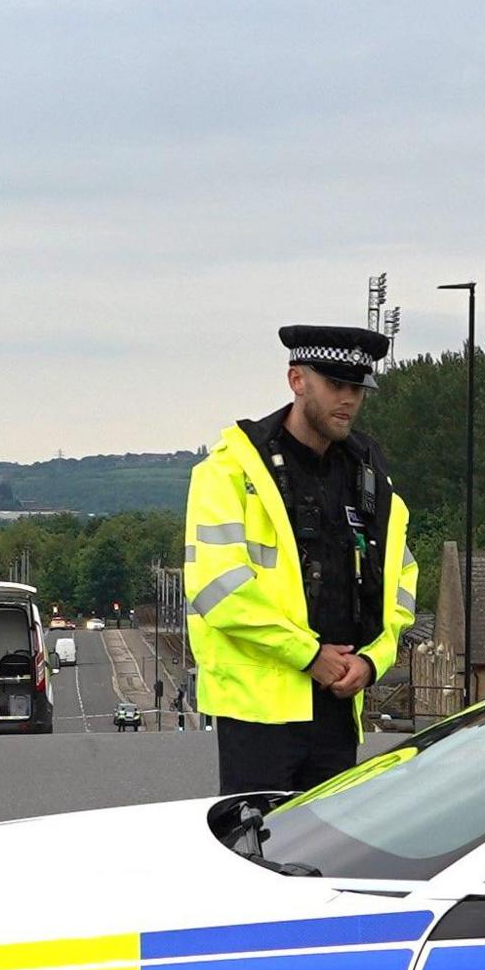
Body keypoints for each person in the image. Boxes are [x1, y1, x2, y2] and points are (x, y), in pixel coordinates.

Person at [184, 323, 418, 796]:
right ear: (297, 381)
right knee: (256, 853)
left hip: (337, 707)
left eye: (358, 388)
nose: (348, 399)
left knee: (327, 859)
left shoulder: (370, 480)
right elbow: (219, 591)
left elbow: (400, 585)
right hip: (258, 715)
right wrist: (309, 656)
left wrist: (372, 663)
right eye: (335, 384)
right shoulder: (229, 473)